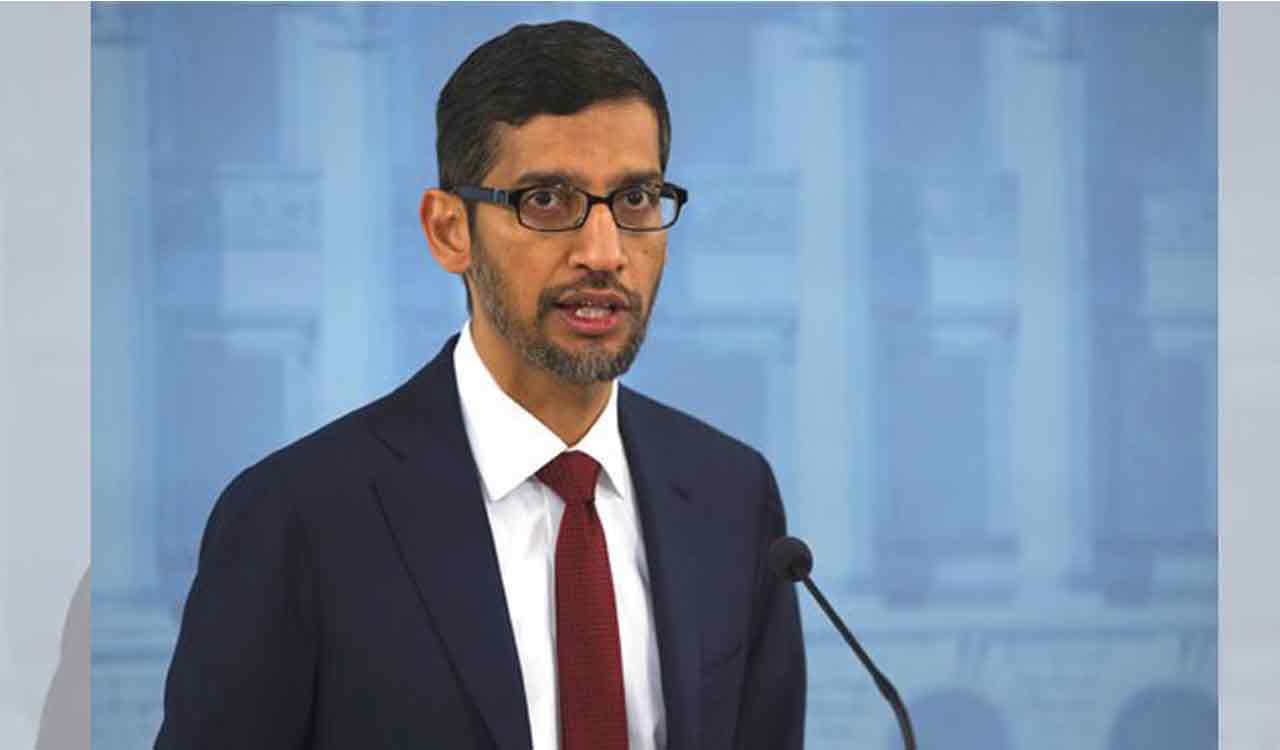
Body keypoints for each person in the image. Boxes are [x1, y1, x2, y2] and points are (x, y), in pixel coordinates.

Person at [156, 20, 805, 750]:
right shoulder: (296, 517)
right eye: (547, 200)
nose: (604, 253)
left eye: (635, 199)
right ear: (449, 231)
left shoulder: (733, 496)